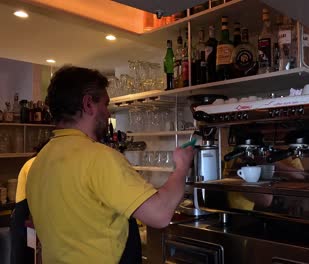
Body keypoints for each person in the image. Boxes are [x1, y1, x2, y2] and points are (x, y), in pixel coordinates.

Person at [26, 65, 194, 263]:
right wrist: (182, 166)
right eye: (105, 104)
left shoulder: (39, 161)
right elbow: (160, 214)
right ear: (88, 104)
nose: (107, 113)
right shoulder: (99, 157)